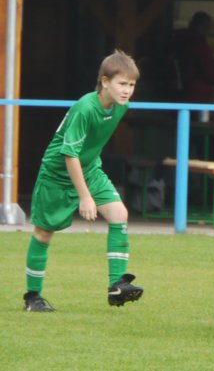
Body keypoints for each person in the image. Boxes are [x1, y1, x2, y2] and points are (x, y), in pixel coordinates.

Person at [23, 50, 144, 312]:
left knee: (119, 213)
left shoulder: (121, 106)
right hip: (57, 174)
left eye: (132, 85)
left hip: (90, 169)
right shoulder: (85, 108)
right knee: (44, 233)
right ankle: (32, 297)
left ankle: (117, 285)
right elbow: (70, 155)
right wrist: (85, 196)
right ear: (105, 81)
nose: (127, 90)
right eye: (122, 83)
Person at [173, 11, 214, 103]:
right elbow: (208, 69)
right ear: (200, 26)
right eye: (207, 27)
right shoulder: (199, 44)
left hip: (177, 89)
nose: (207, 31)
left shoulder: (177, 39)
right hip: (197, 91)